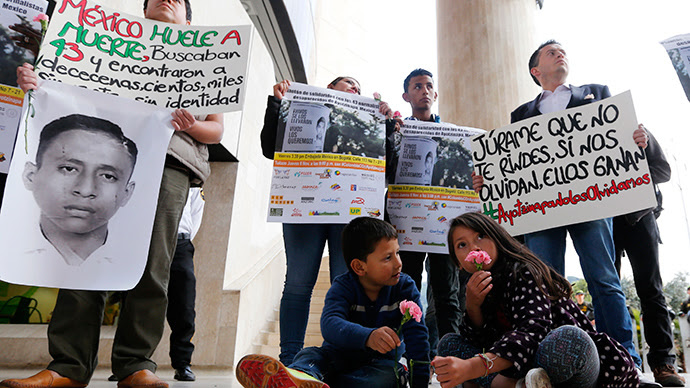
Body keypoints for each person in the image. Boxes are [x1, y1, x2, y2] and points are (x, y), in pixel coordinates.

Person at [1, 0, 224, 387]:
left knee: (153, 267)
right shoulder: (106, 45)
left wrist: (191, 125)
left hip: (170, 165)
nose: (166, 0)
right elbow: (67, 89)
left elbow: (216, 131)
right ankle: (67, 366)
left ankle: (136, 366)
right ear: (143, 11)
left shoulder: (207, 61)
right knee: (83, 259)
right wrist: (37, 84)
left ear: (189, 20)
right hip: (98, 156)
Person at [472, 40, 653, 385]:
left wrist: (636, 138)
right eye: (550, 52)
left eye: (562, 50)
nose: (560, 53)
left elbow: (616, 141)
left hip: (592, 201)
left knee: (604, 280)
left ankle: (625, 361)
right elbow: (511, 166)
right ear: (535, 71)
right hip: (540, 212)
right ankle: (554, 364)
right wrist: (490, 180)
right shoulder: (520, 115)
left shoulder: (598, 93)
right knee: (544, 285)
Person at [260, 76, 396, 366]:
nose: (356, 88)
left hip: (348, 214)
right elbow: (269, 148)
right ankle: (289, 361)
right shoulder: (301, 109)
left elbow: (387, 170)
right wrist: (277, 104)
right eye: (348, 83)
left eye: (359, 87)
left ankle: (337, 358)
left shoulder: (366, 122)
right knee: (297, 283)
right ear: (330, 88)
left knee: (344, 283)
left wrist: (384, 125)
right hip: (301, 208)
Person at [431, 212, 638, 388]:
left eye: (481, 236)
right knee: (449, 344)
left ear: (497, 237)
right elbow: (479, 343)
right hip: (520, 370)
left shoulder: (524, 271)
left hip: (570, 366)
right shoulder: (475, 289)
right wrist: (473, 306)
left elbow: (532, 333)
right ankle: (520, 384)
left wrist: (472, 368)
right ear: (457, 262)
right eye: (462, 245)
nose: (473, 248)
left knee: (568, 340)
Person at [236, 217, 430, 388]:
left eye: (397, 253)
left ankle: (318, 384)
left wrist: (420, 383)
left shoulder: (404, 287)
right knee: (310, 356)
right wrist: (367, 336)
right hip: (338, 356)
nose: (398, 263)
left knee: (389, 378)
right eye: (388, 257)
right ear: (359, 267)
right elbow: (330, 324)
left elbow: (417, 339)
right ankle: (297, 376)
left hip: (381, 363)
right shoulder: (343, 286)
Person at [390, 68, 465, 341]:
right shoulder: (396, 133)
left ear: (435, 93)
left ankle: (450, 354)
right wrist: (391, 135)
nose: (424, 90)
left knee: (447, 293)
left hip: (443, 226)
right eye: (417, 86)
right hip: (406, 225)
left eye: (429, 86)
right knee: (407, 288)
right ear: (406, 95)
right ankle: (412, 355)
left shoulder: (455, 135)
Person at [612, 129, 683, 386]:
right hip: (600, 221)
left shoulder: (636, 130)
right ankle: (616, 362)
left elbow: (663, 171)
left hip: (640, 217)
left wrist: (629, 176)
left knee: (651, 289)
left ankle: (664, 362)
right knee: (608, 290)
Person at [22, 114, 137, 266]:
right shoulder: (8, 250)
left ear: (127, 193)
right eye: (69, 169)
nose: (86, 190)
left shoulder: (132, 266)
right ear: (31, 176)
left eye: (108, 176)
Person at [166, 187, 205, 382]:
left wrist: (184, 238)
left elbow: (196, 210)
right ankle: (131, 365)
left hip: (180, 244)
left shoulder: (192, 177)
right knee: (141, 303)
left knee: (184, 308)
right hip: (150, 239)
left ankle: (182, 364)